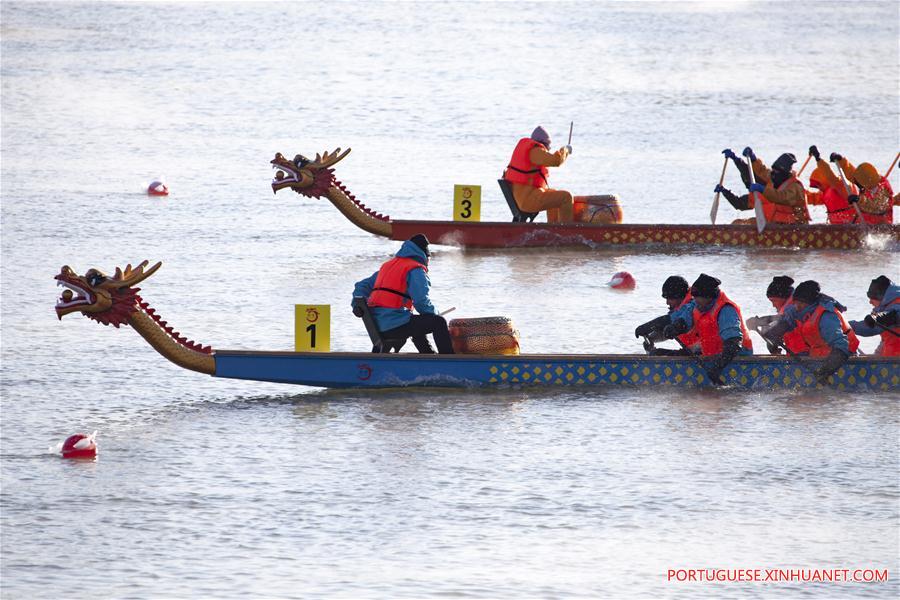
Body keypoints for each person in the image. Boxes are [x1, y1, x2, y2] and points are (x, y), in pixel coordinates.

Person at [352, 234, 454, 354]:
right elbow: (421, 302)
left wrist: (356, 305)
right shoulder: (415, 269)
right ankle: (449, 361)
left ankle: (428, 355)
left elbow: (361, 286)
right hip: (394, 325)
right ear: (425, 256)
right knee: (438, 322)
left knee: (418, 322)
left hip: (376, 324)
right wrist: (435, 315)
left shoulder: (389, 266)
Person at [657, 274, 754, 383]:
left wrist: (717, 367)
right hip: (713, 356)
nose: (695, 303)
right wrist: (674, 328)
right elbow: (685, 321)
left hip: (738, 357)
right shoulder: (698, 305)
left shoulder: (726, 310)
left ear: (708, 297)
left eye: (697, 300)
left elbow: (734, 344)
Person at [764, 281, 860, 383]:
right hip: (818, 358)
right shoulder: (800, 309)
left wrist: (825, 371)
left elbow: (842, 346)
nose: (796, 308)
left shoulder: (826, 317)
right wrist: (773, 333)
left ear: (810, 304)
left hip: (841, 360)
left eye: (799, 305)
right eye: (795, 303)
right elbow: (788, 321)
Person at [714, 148, 810, 224]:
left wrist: (763, 189)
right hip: (771, 224)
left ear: (784, 173)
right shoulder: (770, 183)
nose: (773, 174)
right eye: (773, 171)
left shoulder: (795, 186)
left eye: (776, 172)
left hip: (794, 226)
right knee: (737, 223)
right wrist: (739, 160)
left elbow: (782, 197)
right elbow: (759, 172)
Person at [503, 126, 574, 223]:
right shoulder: (535, 151)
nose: (548, 149)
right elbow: (556, 161)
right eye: (548, 146)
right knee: (566, 197)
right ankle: (566, 233)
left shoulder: (528, 148)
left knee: (553, 193)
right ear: (543, 143)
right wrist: (565, 150)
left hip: (525, 195)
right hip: (527, 200)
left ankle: (553, 228)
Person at [633, 275, 700, 355]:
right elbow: (667, 329)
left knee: (661, 354)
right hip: (692, 352)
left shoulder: (693, 305)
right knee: (657, 353)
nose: (667, 302)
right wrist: (651, 339)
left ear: (679, 296)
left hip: (704, 354)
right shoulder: (678, 308)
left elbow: (669, 320)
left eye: (670, 298)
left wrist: (649, 326)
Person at [745, 276, 809, 355]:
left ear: (783, 297)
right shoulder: (791, 307)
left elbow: (782, 320)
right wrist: (772, 346)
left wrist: (760, 321)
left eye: (774, 300)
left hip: (805, 357)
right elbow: (778, 323)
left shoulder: (794, 309)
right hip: (798, 356)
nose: (773, 305)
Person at [830, 153, 894, 224]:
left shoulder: (884, 189)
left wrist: (859, 200)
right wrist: (841, 161)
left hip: (880, 228)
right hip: (863, 224)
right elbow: (853, 174)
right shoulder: (870, 178)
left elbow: (877, 207)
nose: (859, 186)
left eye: (859, 184)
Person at [805, 145, 857, 224]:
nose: (818, 188)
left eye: (818, 184)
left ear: (824, 180)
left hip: (851, 224)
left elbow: (829, 174)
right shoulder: (826, 193)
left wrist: (818, 159)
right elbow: (812, 198)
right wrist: (798, 191)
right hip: (837, 226)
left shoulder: (841, 185)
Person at [849, 275, 900, 356]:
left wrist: (846, 327)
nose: (870, 302)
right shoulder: (885, 306)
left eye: (872, 298)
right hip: (889, 357)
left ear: (882, 297)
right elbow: (884, 342)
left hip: (895, 361)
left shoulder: (896, 308)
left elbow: (872, 328)